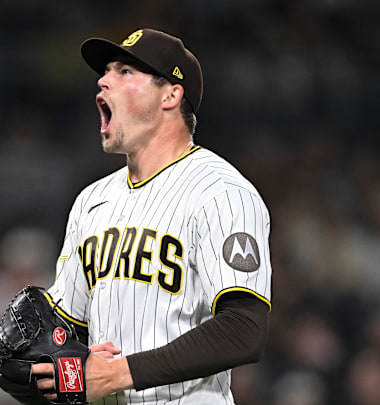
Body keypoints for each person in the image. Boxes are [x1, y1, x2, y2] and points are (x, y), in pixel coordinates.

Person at [31, 28, 272, 404]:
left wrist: (118, 374)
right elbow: (69, 331)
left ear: (171, 95)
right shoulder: (91, 201)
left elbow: (243, 329)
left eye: (124, 71)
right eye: (106, 70)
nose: (103, 80)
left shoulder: (222, 193)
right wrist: (34, 364)